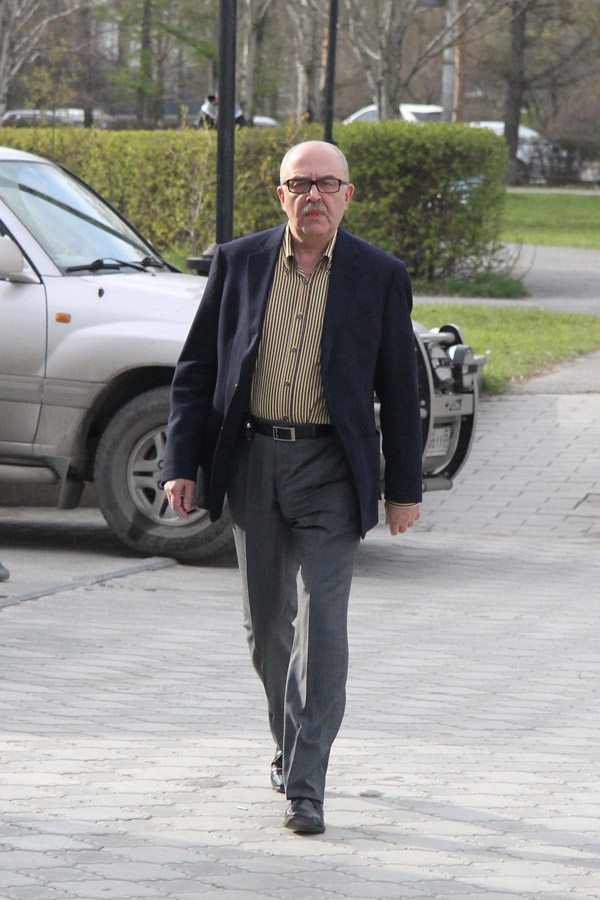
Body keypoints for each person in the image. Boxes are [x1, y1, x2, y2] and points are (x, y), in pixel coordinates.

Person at [162, 140, 422, 835]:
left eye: (327, 184)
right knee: (265, 626)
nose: (313, 196)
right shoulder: (239, 263)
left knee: (324, 623)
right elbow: (197, 369)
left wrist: (404, 488)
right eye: (300, 184)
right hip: (252, 460)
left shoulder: (379, 275)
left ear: (347, 195)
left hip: (331, 467)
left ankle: (307, 784)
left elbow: (401, 390)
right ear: (280, 195)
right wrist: (180, 463)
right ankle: (288, 738)